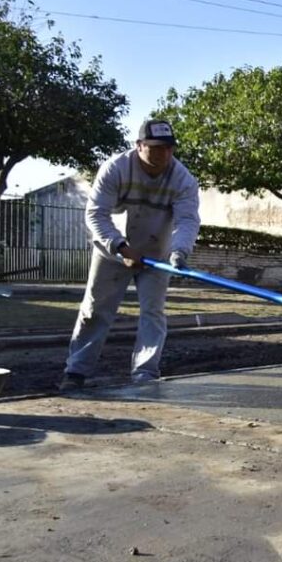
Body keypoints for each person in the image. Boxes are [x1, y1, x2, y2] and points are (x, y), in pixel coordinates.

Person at [60, 119, 201, 391]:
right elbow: (95, 214)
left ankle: (145, 374)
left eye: (168, 148)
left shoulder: (183, 179)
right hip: (113, 250)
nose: (163, 154)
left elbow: (187, 220)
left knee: (153, 313)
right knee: (95, 309)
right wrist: (120, 247)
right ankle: (75, 371)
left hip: (156, 253)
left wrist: (179, 252)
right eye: (155, 147)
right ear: (139, 146)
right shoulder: (116, 169)